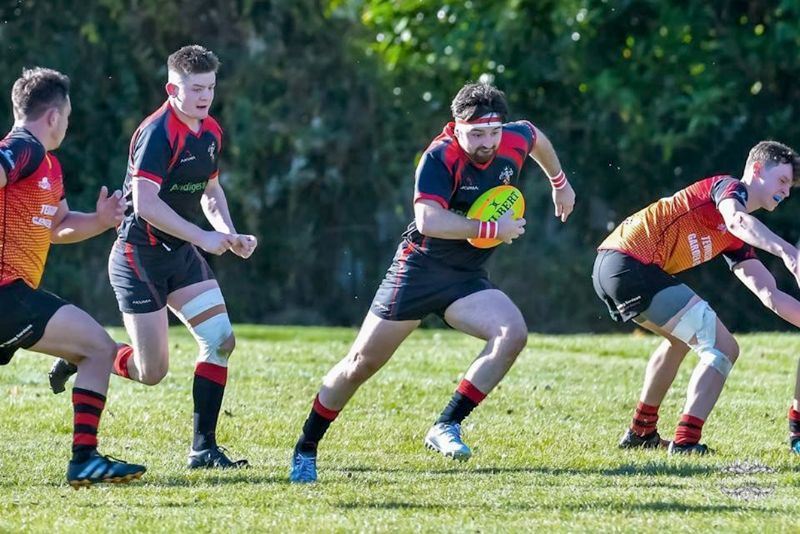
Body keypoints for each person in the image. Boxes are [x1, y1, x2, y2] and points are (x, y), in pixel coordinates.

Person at [288, 82, 576, 483]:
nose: (487, 143)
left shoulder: (513, 137)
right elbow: (429, 221)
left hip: (466, 277)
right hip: (419, 271)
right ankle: (306, 447)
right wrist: (493, 227)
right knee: (360, 365)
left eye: (493, 132)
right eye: (476, 134)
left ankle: (446, 425)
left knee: (512, 334)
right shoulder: (440, 157)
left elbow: (535, 137)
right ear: (456, 127)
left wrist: (560, 183)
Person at [49, 45, 257, 468]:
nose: (204, 97)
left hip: (178, 254)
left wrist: (228, 233)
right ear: (172, 88)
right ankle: (86, 353)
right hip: (137, 256)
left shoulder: (211, 130)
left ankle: (203, 449)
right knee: (151, 372)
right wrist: (202, 236)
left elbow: (211, 191)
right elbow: (145, 203)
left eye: (210, 88)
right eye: (195, 88)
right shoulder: (158, 133)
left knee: (220, 341)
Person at [592, 140, 800, 454]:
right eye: (782, 181)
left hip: (614, 268)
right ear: (757, 169)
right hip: (629, 264)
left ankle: (641, 432)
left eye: (790, 186)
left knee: (678, 341)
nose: (785, 191)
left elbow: (769, 293)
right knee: (723, 346)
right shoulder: (727, 189)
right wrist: (789, 252)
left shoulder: (734, 237)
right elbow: (736, 219)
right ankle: (686, 442)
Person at [0, 67, 146, 488]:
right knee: (99, 348)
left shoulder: (48, 166)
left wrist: (100, 221)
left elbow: (58, 225)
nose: (68, 124)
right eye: (67, 116)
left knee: (94, 348)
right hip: (6, 295)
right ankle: (84, 459)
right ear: (53, 116)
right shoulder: (22, 148)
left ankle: (86, 459)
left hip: (15, 296)